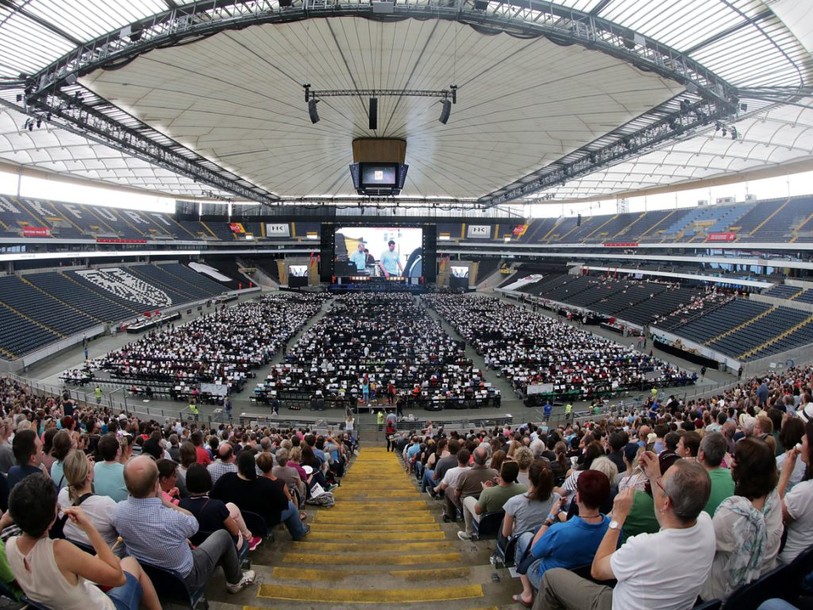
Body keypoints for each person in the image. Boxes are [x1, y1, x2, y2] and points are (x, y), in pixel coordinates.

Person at [538, 454, 715, 610]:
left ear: (667, 502)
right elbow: (665, 507)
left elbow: (598, 570)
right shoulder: (707, 524)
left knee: (551, 577)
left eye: (662, 483)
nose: (659, 482)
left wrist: (618, 518)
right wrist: (655, 477)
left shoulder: (645, 546)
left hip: (616, 604)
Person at [7, 473, 161, 610]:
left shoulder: (10, 544)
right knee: (131, 562)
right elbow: (118, 577)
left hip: (59, 601)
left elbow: (56, 577)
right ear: (51, 518)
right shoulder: (60, 550)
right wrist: (88, 527)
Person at [112, 455, 256, 595]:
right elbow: (193, 524)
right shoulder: (172, 518)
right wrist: (164, 501)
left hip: (147, 574)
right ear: (157, 485)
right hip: (185, 579)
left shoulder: (117, 512)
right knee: (223, 535)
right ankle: (235, 581)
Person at [512, 470, 611, 608]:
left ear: (578, 497)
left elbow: (533, 550)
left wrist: (550, 516)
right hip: (588, 579)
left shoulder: (559, 531)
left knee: (524, 538)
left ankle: (527, 593)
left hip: (548, 579)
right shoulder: (612, 528)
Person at [700, 438, 782, 601]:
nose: (731, 460)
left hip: (725, 594)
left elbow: (701, 551)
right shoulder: (775, 498)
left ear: (741, 468)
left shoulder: (730, 515)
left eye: (735, 458)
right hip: (762, 583)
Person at [57, 450, 122, 555]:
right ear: (88, 475)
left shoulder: (62, 494)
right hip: (105, 561)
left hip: (74, 555)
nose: (92, 463)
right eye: (90, 463)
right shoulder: (106, 504)